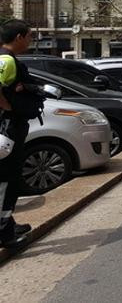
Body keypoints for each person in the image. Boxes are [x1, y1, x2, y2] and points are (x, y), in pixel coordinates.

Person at [0, 20, 44, 247]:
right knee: (7, 180)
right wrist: (7, 109)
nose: (30, 41)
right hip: (8, 128)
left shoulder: (6, 59)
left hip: (11, 126)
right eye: (29, 36)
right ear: (18, 37)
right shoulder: (6, 60)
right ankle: (5, 234)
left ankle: (7, 225)